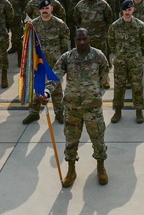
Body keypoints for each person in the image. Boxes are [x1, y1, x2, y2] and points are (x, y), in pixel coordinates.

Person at [43, 28, 110, 188]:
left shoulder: (98, 56)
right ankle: (71, 170)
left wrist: (97, 93)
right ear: (74, 40)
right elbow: (55, 75)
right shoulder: (67, 57)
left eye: (84, 39)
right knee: (71, 140)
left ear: (89, 39)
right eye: (78, 39)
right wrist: (47, 91)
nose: (81, 42)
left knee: (98, 139)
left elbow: (105, 76)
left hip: (92, 108)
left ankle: (101, 167)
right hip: (72, 107)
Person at [108, 0, 144, 124]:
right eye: (125, 10)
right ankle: (117, 111)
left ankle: (139, 111)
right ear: (122, 11)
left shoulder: (140, 25)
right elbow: (111, 41)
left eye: (129, 10)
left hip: (135, 62)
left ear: (133, 10)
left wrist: (137, 53)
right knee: (119, 87)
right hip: (120, 62)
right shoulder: (115, 26)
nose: (127, 12)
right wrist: (118, 53)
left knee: (137, 86)